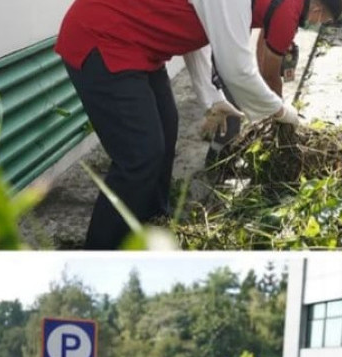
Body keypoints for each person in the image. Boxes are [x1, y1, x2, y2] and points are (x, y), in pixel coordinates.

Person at [56, 0, 310, 249]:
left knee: (166, 131)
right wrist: (283, 112)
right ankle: (103, 248)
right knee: (140, 156)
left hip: (137, 44)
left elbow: (196, 39)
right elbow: (238, 71)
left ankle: (153, 224)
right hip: (102, 36)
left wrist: (213, 99)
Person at [199, 0, 342, 165]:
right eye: (323, 20)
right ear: (318, 9)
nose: (317, 23)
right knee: (232, 102)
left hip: (235, 17)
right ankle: (217, 161)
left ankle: (222, 154)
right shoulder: (289, 14)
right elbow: (270, 73)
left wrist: (266, 93)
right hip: (224, 20)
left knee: (236, 88)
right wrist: (280, 109)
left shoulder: (293, 6)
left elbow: (264, 42)